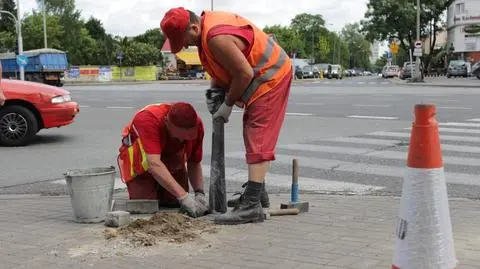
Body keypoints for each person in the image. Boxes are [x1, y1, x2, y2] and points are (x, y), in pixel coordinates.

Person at [160, 7, 293, 225]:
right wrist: (215, 91)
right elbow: (221, 67)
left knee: (256, 133)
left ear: (194, 27)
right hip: (263, 75)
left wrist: (228, 104)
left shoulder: (215, 37)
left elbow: (243, 73)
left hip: (271, 76)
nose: (184, 45)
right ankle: (258, 193)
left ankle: (251, 206)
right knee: (253, 134)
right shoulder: (205, 34)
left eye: (184, 39)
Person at [117, 102, 208, 218]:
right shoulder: (148, 119)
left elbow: (194, 162)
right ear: (167, 123)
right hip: (142, 163)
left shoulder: (197, 125)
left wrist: (199, 193)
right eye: (181, 136)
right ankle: (150, 186)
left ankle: (165, 188)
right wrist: (183, 196)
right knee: (145, 204)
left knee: (174, 202)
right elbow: (153, 163)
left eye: (189, 137)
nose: (184, 140)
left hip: (169, 159)